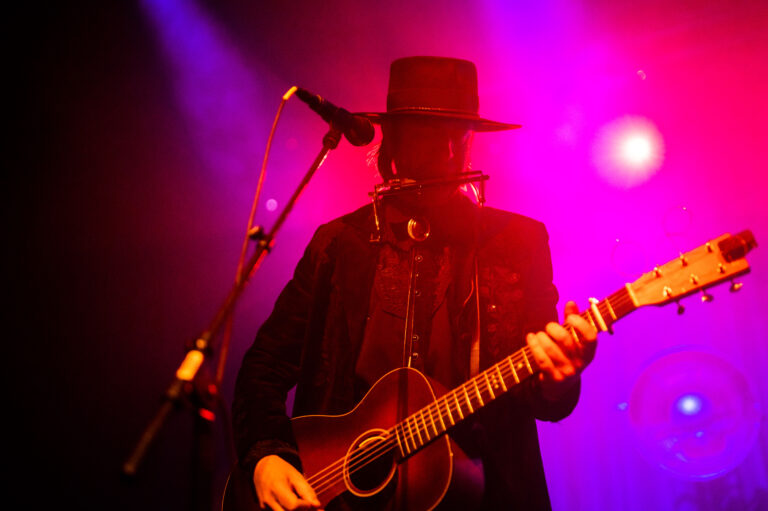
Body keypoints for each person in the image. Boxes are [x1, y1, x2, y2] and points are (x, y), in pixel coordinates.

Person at [232, 56, 598, 511]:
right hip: (340, 498)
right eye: (430, 136)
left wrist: (560, 379)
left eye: (458, 136)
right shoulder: (339, 243)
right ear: (394, 141)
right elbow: (264, 366)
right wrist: (265, 454)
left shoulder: (515, 241)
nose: (447, 154)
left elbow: (546, 400)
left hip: (485, 496)